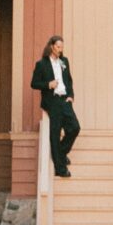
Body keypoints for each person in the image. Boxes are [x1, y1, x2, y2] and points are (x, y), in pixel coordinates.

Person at [31, 35, 81, 177]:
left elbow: (69, 81)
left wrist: (71, 96)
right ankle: (60, 168)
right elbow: (34, 83)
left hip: (65, 100)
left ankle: (60, 152)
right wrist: (48, 84)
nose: (60, 50)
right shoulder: (41, 64)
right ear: (51, 46)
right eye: (58, 47)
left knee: (74, 128)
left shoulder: (64, 61)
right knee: (55, 132)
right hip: (52, 101)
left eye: (62, 47)